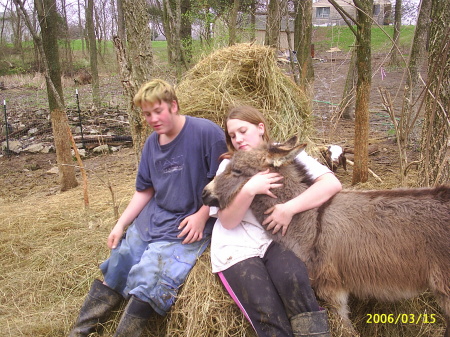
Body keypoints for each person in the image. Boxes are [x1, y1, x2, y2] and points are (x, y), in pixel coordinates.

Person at [68, 79, 227, 337]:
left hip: (186, 225)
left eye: (158, 111)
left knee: (150, 274)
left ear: (173, 106)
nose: (152, 118)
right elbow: (145, 190)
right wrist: (120, 225)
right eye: (146, 114)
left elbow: (224, 178)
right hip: (153, 219)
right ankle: (80, 331)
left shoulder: (206, 133)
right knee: (120, 261)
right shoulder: (152, 144)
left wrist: (202, 215)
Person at [209, 106, 342, 337]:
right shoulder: (227, 167)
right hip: (236, 248)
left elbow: (331, 184)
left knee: (296, 281)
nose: (238, 139)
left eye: (243, 131)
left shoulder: (282, 153)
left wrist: (289, 209)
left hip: (275, 241)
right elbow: (227, 221)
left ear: (260, 128)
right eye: (232, 135)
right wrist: (249, 189)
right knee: (265, 308)